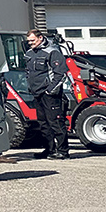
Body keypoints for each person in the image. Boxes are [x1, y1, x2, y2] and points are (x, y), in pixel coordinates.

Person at [25, 29, 70, 160]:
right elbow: (28, 72)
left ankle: (63, 151)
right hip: (36, 93)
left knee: (55, 121)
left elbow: (60, 74)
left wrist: (50, 90)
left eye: (32, 40)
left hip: (50, 95)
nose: (30, 43)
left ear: (40, 38)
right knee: (43, 123)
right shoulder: (29, 53)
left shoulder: (52, 51)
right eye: (28, 41)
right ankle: (49, 150)